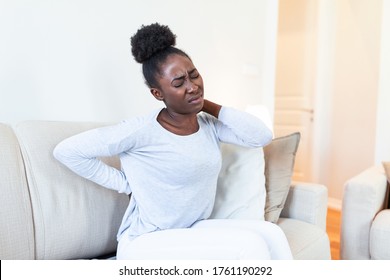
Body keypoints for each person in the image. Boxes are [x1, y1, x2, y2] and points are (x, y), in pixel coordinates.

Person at [53, 23, 293, 260]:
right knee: (249, 246)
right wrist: (127, 184)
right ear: (158, 94)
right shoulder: (140, 130)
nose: (192, 86)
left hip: (189, 230)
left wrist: (203, 103)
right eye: (179, 83)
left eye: (194, 75)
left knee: (272, 234)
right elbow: (67, 151)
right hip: (145, 241)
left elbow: (260, 136)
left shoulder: (207, 125)